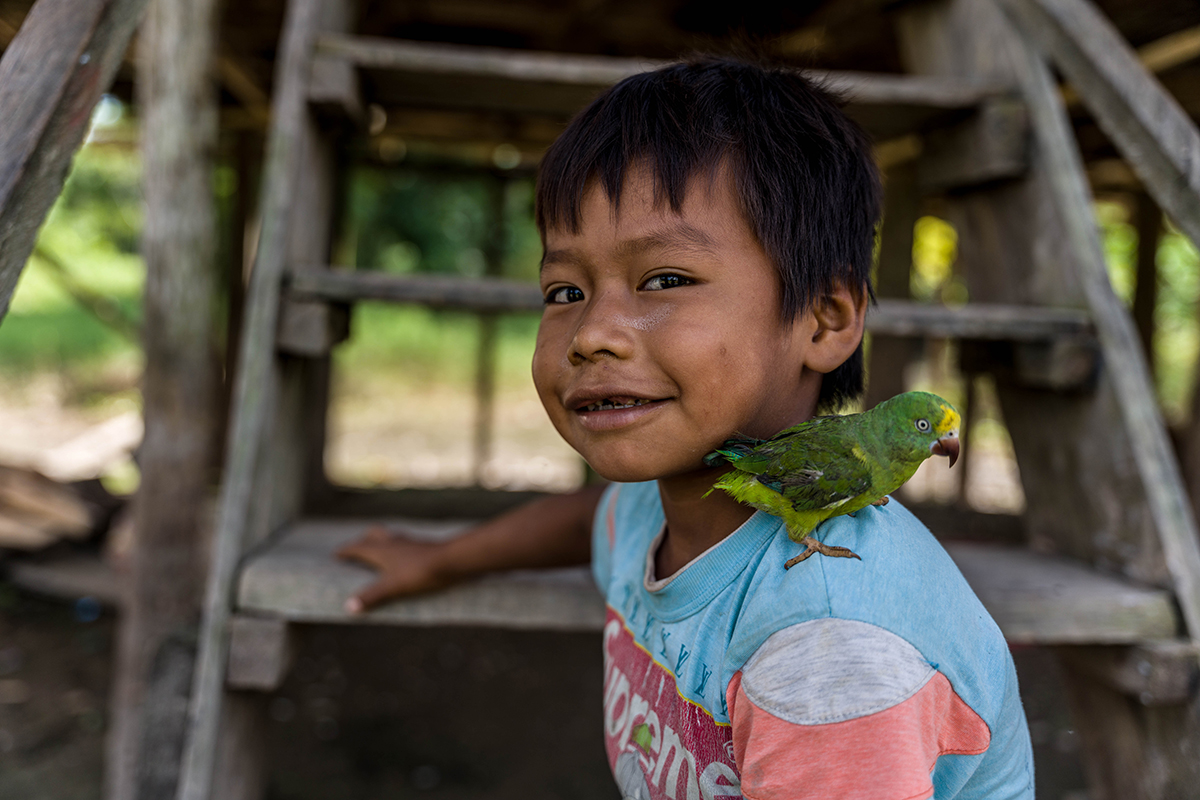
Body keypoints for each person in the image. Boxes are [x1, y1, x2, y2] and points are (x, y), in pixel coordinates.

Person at [338, 56, 1035, 800]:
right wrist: (442, 559)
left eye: (665, 280)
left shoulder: (829, 654)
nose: (592, 333)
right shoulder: (664, 501)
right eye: (564, 290)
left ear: (825, 319)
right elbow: (588, 523)